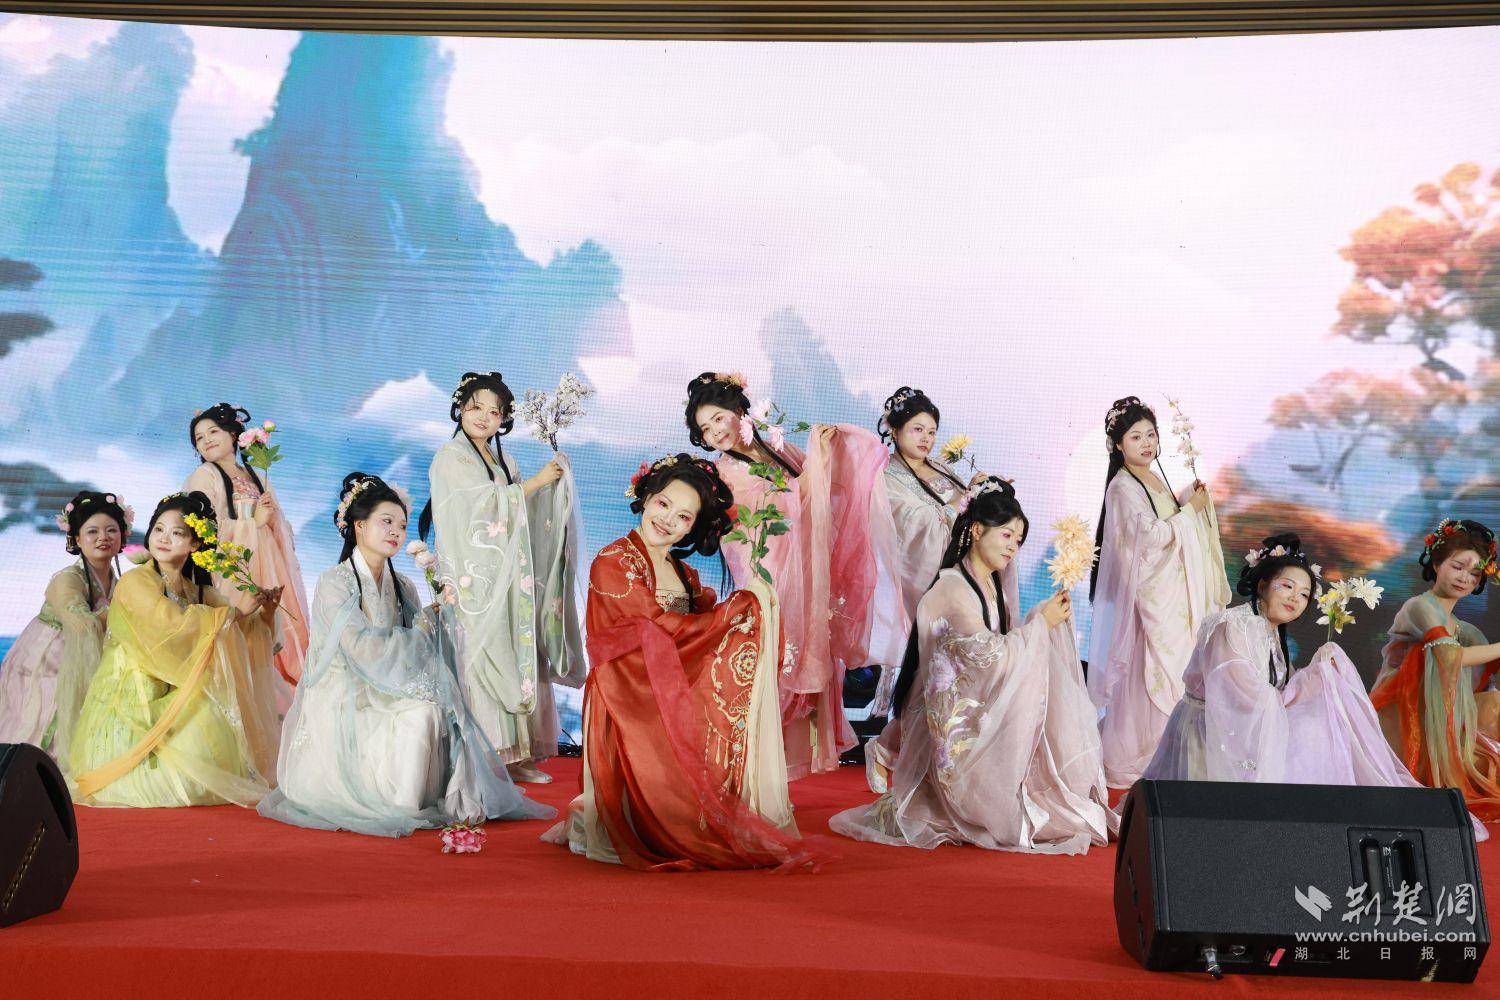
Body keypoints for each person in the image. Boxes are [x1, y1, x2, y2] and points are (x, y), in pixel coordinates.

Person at [544, 454, 817, 870]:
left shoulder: (684, 573)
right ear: (646, 498)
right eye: (663, 504)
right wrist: (734, 614)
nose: (668, 520)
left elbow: (701, 634)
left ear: (693, 527)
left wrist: (748, 612)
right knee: (669, 824)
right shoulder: (613, 561)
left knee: (695, 812)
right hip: (627, 695)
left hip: (665, 690)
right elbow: (658, 628)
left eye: (684, 516)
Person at [259, 473, 553, 836]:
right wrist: (422, 630)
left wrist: (439, 619)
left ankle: (410, 800)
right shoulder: (335, 582)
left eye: (401, 525)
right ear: (359, 525)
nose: (396, 532)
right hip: (349, 694)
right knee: (422, 713)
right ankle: (399, 805)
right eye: (386, 522)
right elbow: (359, 648)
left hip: (392, 685)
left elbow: (422, 644)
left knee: (438, 709)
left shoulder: (404, 585)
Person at [831, 479, 1113, 855]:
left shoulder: (989, 582)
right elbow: (985, 657)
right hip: (951, 719)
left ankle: (887, 748)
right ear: (978, 530)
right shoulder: (952, 587)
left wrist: (1040, 620)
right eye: (1006, 535)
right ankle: (896, 754)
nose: (1013, 547)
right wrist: (1040, 625)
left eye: (1019, 540)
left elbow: (999, 649)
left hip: (966, 700)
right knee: (1019, 818)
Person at [70, 492, 281, 808]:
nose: (164, 538)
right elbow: (170, 625)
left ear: (194, 544)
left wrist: (265, 612)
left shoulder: (199, 591)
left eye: (177, 532)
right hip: (136, 694)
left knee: (214, 711)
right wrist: (235, 613)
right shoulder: (135, 583)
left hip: (179, 691)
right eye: (159, 529)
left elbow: (241, 634)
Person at [1088, 395, 1229, 787]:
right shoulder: (1122, 486)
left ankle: (1171, 758)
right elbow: (1147, 541)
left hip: (1173, 597)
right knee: (1154, 677)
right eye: (1136, 437)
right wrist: (1190, 512)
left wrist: (1185, 497)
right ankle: (1145, 762)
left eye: (1150, 434)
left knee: (1178, 671)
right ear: (1118, 445)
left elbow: (1164, 519)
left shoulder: (1151, 476)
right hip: (1155, 602)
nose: (1146, 443)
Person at [1372, 518, 1500, 820]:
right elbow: (1448, 657)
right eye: (1458, 566)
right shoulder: (1419, 606)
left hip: (1441, 727)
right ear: (1437, 562)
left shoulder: (1465, 630)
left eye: (1475, 573)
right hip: (1402, 724)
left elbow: (1486, 682)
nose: (1465, 578)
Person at [0, 490, 128, 767]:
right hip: (48, 656)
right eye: (92, 531)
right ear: (77, 538)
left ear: (122, 536)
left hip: (89, 655)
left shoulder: (119, 582)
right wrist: (126, 611)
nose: (103, 537)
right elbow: (81, 622)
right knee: (44, 718)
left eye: (111, 530)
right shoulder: (67, 579)